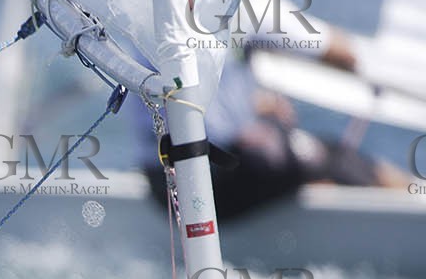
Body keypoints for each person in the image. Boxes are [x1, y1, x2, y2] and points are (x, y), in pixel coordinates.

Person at [136, 33, 410, 220]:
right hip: (210, 181)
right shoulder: (248, 8)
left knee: (294, 152)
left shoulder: (149, 24)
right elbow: (342, 52)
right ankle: (408, 198)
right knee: (332, 157)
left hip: (162, 187)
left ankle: (314, 188)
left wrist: (254, 106)